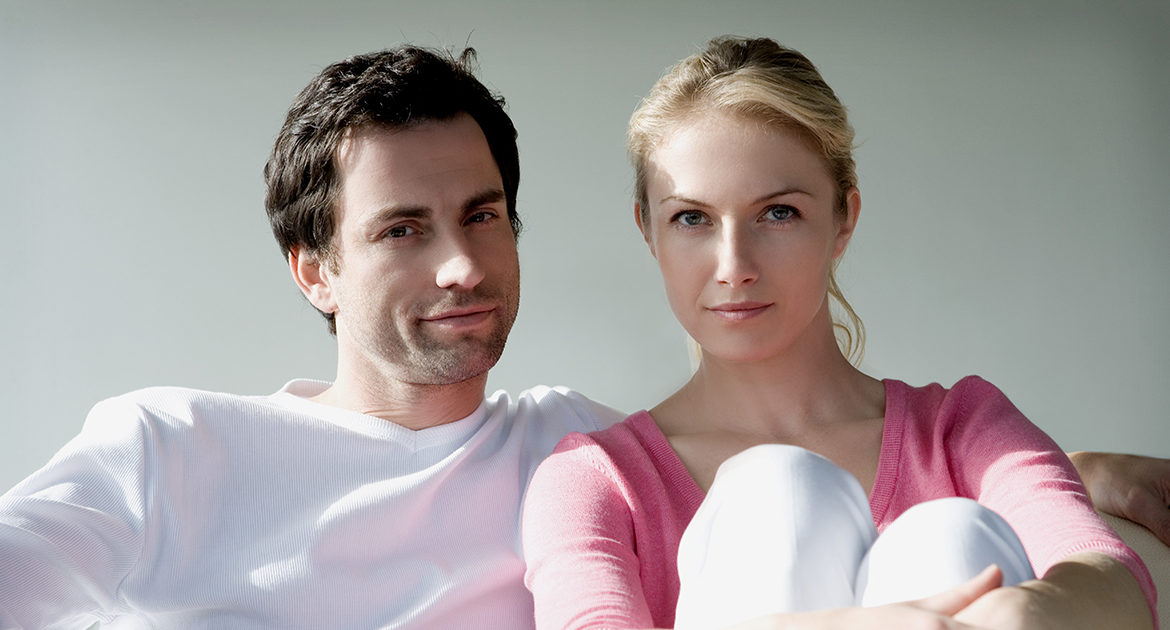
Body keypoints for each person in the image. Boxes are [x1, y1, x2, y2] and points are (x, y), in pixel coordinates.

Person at [0, 42, 1162, 630]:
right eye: (403, 230)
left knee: (887, 514)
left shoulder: (559, 445)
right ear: (315, 269)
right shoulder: (170, 447)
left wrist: (1066, 474)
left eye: (482, 216)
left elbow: (808, 465)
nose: (461, 265)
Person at [521, 36, 1158, 630]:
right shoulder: (596, 479)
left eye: (778, 212)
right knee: (777, 491)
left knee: (950, 538)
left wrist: (1024, 610)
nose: (734, 266)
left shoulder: (963, 430)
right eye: (692, 218)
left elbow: (1109, 577)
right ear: (648, 230)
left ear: (843, 220)